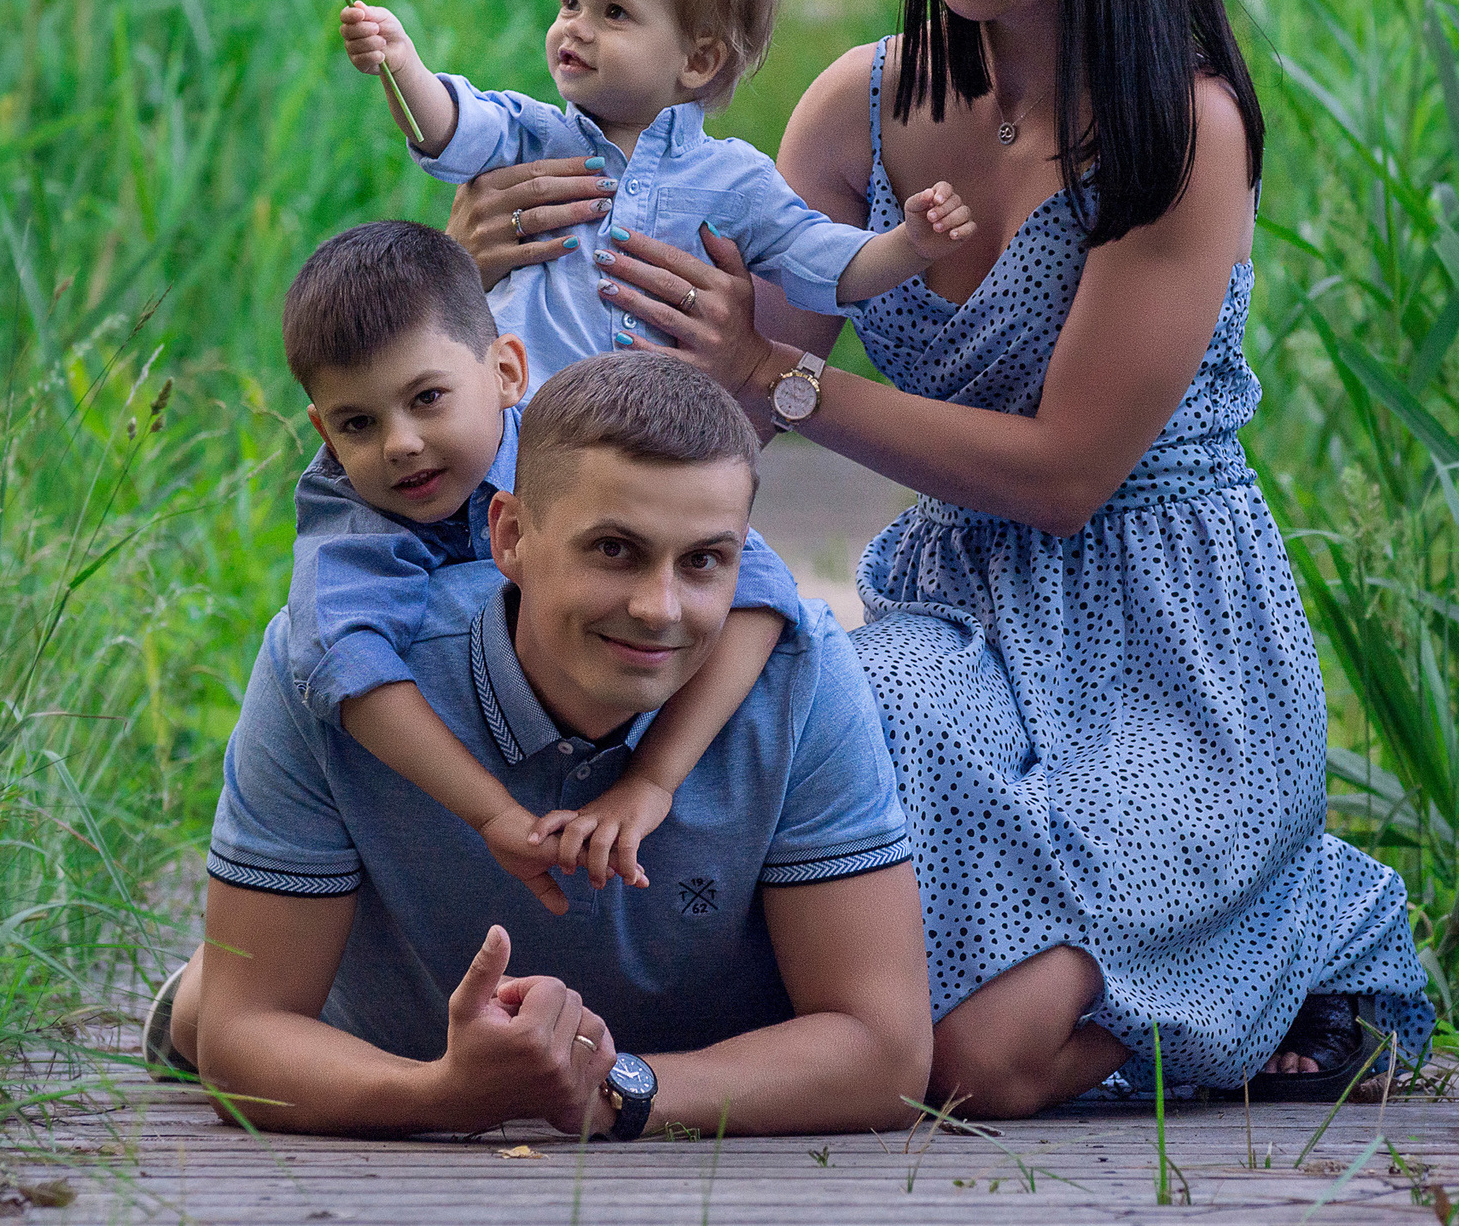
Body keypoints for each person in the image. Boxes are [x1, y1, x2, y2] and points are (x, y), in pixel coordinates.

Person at [447, 0, 1434, 1114]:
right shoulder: (862, 106)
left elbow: (1063, 473)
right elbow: (714, 411)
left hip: (1169, 638)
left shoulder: (1181, 131)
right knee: (855, 904)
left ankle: (1297, 947)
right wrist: (508, 277)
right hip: (953, 607)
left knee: (983, 1061)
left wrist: (780, 372)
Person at [163, 353, 931, 1138]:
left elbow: (885, 1048)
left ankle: (206, 977)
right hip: (386, 1052)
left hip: (684, 1075)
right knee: (211, 1010)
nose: (659, 607)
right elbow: (245, 1035)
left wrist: (616, 1089)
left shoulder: (799, 671)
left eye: (703, 559)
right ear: (510, 535)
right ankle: (196, 986)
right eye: (614, 550)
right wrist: (443, 1094)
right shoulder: (339, 672)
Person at [337, 0, 973, 397]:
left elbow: (825, 263)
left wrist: (909, 244)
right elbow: (447, 125)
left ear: (697, 61)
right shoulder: (533, 134)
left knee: (747, 565)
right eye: (568, 2)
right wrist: (402, 64)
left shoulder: (735, 182)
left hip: (656, 457)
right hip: (518, 431)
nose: (574, 29)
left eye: (613, 12)